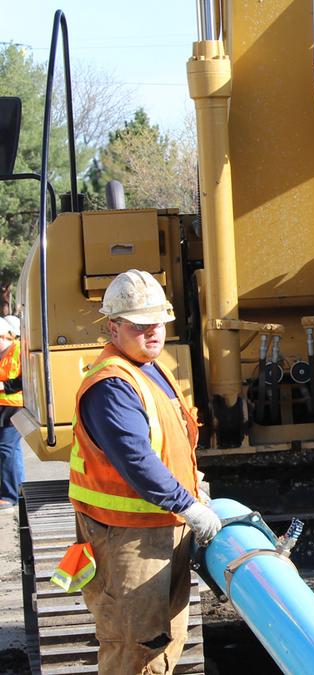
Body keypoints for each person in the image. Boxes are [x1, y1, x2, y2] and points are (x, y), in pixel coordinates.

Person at [68, 269, 222, 674]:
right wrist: (186, 503)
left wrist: (193, 486)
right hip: (127, 540)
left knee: (164, 641)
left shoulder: (149, 367)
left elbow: (167, 439)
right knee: (134, 649)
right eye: (141, 325)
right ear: (113, 326)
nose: (154, 332)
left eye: (159, 323)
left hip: (158, 527)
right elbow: (136, 458)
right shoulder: (112, 385)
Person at [0, 315, 23, 509]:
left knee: (7, 450)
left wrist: (3, 385)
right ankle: (17, 490)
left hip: (13, 406)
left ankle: (10, 495)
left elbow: (24, 379)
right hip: (3, 406)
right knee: (11, 450)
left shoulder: (18, 349)